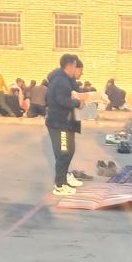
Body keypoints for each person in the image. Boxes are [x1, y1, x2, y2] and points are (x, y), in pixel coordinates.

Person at [45, 53, 86, 196]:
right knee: (63, 153)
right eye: (76, 66)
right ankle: (59, 185)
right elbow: (62, 100)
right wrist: (77, 103)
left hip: (66, 123)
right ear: (70, 65)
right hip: (59, 124)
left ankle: (65, 178)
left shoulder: (67, 80)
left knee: (69, 151)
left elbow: (74, 93)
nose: (78, 70)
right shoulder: (60, 81)